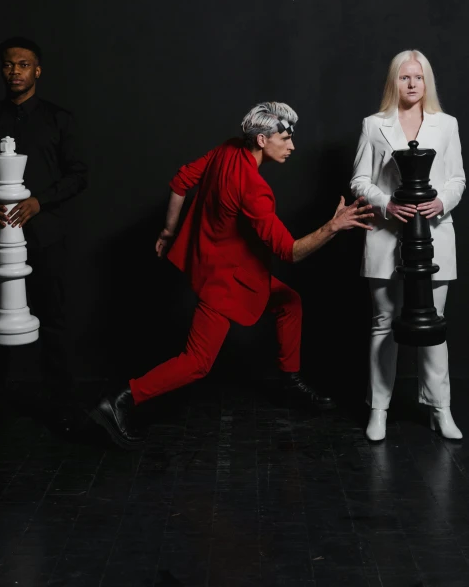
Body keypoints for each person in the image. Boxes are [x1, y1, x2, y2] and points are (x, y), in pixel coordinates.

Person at [91, 101, 373, 449]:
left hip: (216, 264)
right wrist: (333, 226)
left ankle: (288, 381)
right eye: (284, 138)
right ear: (260, 140)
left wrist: (168, 232)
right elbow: (290, 251)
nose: (292, 146)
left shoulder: (228, 149)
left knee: (289, 303)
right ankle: (121, 401)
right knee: (196, 363)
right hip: (226, 282)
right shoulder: (254, 190)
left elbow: (181, 182)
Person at [0, 36, 88, 427]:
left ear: (37, 70)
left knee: (54, 319)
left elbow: (78, 175)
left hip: (45, 235)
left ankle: (63, 406)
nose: (14, 71)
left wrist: (38, 202)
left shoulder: (58, 119)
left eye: (23, 64)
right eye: (7, 64)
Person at [350, 50, 465, 441]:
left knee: (435, 324)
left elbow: (457, 179)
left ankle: (440, 409)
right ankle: (378, 410)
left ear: (427, 81)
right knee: (384, 323)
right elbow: (360, 180)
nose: (412, 84)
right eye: (404, 77)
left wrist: (441, 202)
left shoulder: (447, 125)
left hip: (435, 235)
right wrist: (387, 204)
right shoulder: (373, 125)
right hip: (386, 234)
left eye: (418, 77)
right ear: (393, 82)